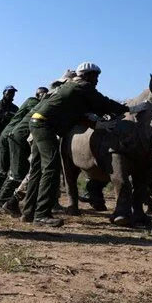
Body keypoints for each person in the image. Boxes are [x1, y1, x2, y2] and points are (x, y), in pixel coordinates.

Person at [21, 62, 133, 227]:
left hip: (38, 122)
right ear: (87, 75)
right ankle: (42, 214)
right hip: (45, 126)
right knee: (51, 167)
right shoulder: (83, 87)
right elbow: (104, 103)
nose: (97, 81)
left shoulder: (72, 89)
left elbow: (81, 114)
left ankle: (28, 212)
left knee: (37, 169)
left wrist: (99, 124)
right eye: (96, 77)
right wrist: (129, 108)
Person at [0, 86, 49, 209]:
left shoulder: (17, 107)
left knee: (3, 169)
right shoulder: (32, 101)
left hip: (9, 134)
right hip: (13, 135)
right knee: (15, 171)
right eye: (43, 94)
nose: (45, 96)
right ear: (37, 95)